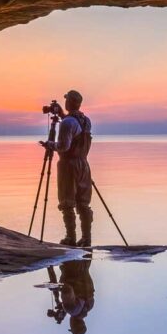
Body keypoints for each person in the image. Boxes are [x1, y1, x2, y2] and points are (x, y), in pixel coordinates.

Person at [42, 90, 93, 247]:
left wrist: (49, 144)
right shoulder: (86, 120)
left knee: (66, 202)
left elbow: (64, 147)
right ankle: (86, 238)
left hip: (68, 166)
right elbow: (75, 129)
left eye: (66, 100)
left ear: (69, 102)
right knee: (83, 203)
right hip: (83, 165)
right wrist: (63, 114)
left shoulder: (67, 123)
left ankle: (70, 237)